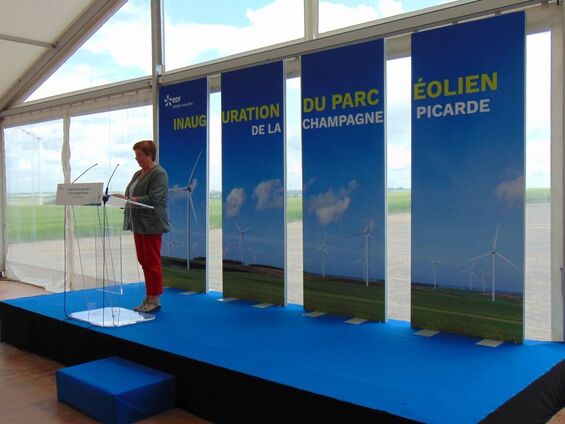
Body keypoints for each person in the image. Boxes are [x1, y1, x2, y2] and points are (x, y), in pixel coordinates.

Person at [114, 140, 169, 313]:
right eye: (136, 155)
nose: (136, 158)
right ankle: (149, 296)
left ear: (149, 155)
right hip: (137, 222)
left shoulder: (159, 173)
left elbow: (154, 198)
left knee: (152, 261)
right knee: (143, 260)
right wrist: (122, 198)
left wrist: (130, 200)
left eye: (139, 155)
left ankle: (155, 298)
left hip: (151, 222)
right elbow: (130, 193)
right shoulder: (138, 173)